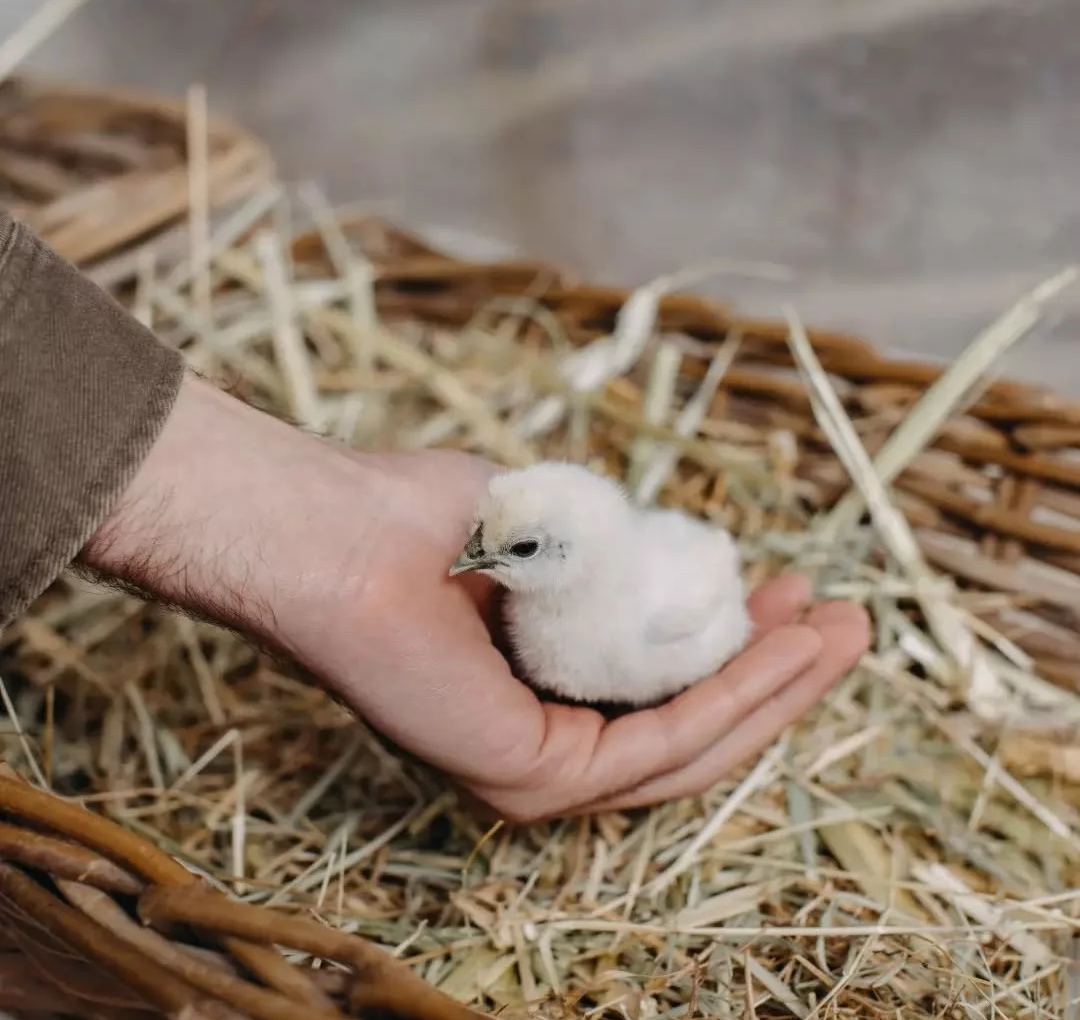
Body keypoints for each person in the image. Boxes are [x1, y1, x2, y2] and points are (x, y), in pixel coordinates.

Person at [0, 211, 869, 821]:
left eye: (507, 548)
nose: (473, 559)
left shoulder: (661, 607)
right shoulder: (564, 591)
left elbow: (700, 558)